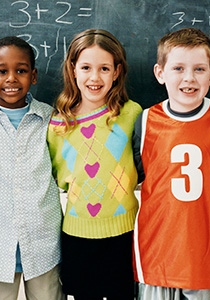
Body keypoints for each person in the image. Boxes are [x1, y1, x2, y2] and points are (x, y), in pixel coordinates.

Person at [132, 27, 210, 300]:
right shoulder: (145, 120)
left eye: (199, 69)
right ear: (160, 73)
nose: (189, 78)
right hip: (157, 252)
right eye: (178, 68)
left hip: (206, 258)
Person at [0, 36, 64, 300]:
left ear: (34, 75)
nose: (11, 78)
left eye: (20, 70)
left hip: (43, 245)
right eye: (1, 71)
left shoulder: (50, 118)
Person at [47, 29, 142, 300]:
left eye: (104, 68)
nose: (94, 77)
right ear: (73, 69)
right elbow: (57, 174)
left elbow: (142, 165)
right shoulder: (58, 125)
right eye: (86, 67)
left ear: (117, 71)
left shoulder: (131, 114)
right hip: (77, 236)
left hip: (125, 233)